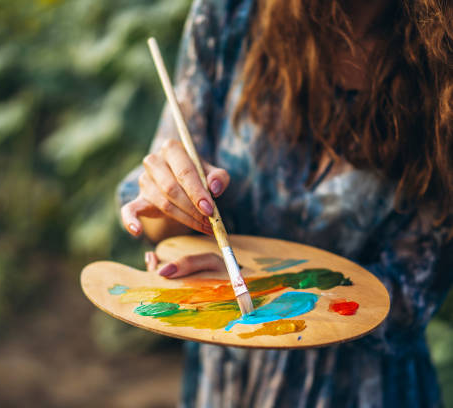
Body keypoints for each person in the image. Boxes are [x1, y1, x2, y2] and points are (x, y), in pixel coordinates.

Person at [116, 0, 453, 407]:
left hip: (360, 388)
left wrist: (264, 279)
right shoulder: (230, 15)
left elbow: (409, 296)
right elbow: (160, 225)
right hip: (229, 375)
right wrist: (165, 207)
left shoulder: (443, 59)